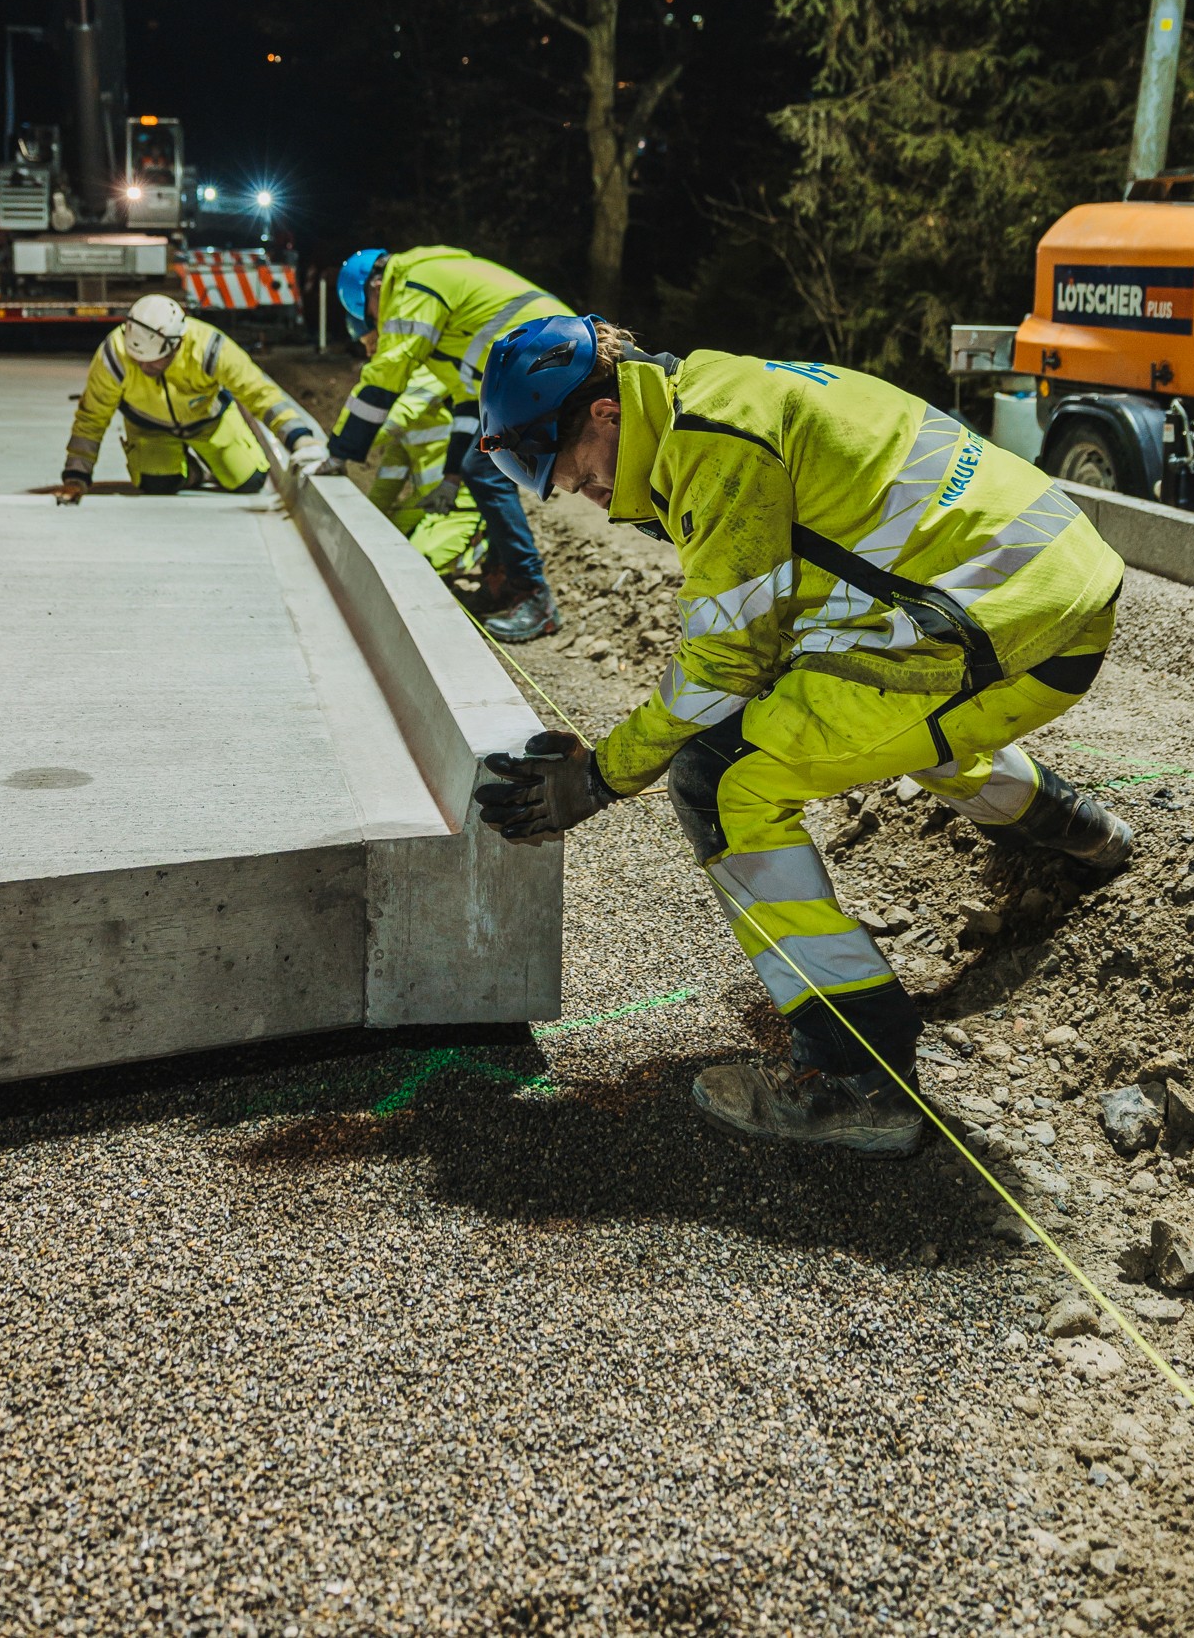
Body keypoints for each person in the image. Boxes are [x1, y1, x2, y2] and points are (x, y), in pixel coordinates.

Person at [474, 318, 1129, 1157]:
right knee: (831, 706)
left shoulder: (710, 447)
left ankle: (857, 1081)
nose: (562, 489)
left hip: (999, 629)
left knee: (723, 777)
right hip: (1049, 598)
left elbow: (721, 665)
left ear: (604, 414)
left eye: (555, 465)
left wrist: (601, 775)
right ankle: (1073, 829)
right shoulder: (717, 387)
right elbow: (780, 623)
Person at [320, 245, 570, 641]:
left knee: (487, 472)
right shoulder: (436, 295)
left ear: (374, 289)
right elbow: (469, 402)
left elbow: (387, 372)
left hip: (547, 358)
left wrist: (340, 452)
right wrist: (453, 473)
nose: (375, 324)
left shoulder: (412, 286)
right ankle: (503, 579)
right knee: (482, 468)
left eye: (369, 314)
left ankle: (533, 596)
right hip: (545, 355)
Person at [57, 293, 324, 501]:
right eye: (138, 361)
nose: (144, 368)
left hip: (209, 423)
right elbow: (92, 416)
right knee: (158, 485)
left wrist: (299, 437)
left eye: (153, 362)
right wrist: (77, 475)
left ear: (177, 344)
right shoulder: (115, 356)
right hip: (150, 428)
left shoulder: (209, 348)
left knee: (250, 481)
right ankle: (192, 473)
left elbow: (257, 392)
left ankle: (209, 461)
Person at [367, 365, 488, 582]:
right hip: (431, 502)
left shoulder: (423, 377)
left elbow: (394, 419)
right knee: (384, 544)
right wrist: (362, 521)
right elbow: (387, 483)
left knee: (419, 564)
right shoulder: (405, 433)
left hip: (462, 505)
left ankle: (482, 552)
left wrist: (343, 447)